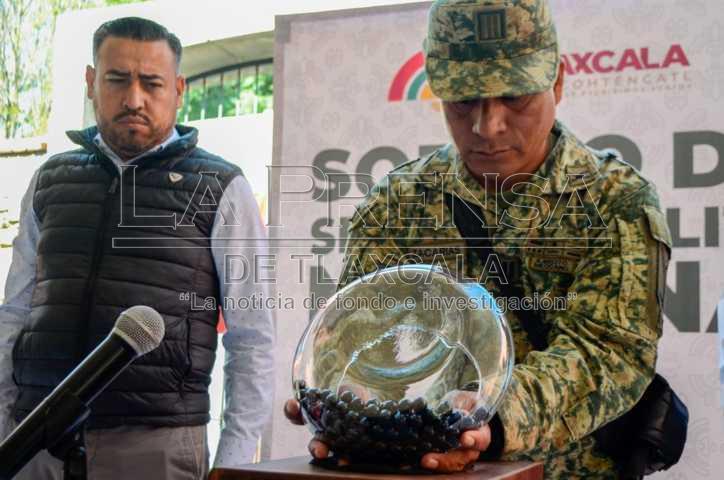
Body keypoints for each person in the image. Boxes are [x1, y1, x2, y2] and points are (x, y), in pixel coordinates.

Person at [284, 0, 672, 478]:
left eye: (515, 97)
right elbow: (357, 337)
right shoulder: (397, 203)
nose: (487, 127)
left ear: (557, 82)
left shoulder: (616, 201)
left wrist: (491, 419)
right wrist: (343, 403)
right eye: (463, 100)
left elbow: (608, 352)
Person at [0, 17, 274, 479]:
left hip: (156, 447)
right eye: (117, 80)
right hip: (35, 440)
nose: (133, 99)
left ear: (179, 89)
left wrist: (232, 466)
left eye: (151, 83)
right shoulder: (50, 179)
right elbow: (15, 312)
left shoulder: (221, 186)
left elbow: (252, 338)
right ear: (91, 82)